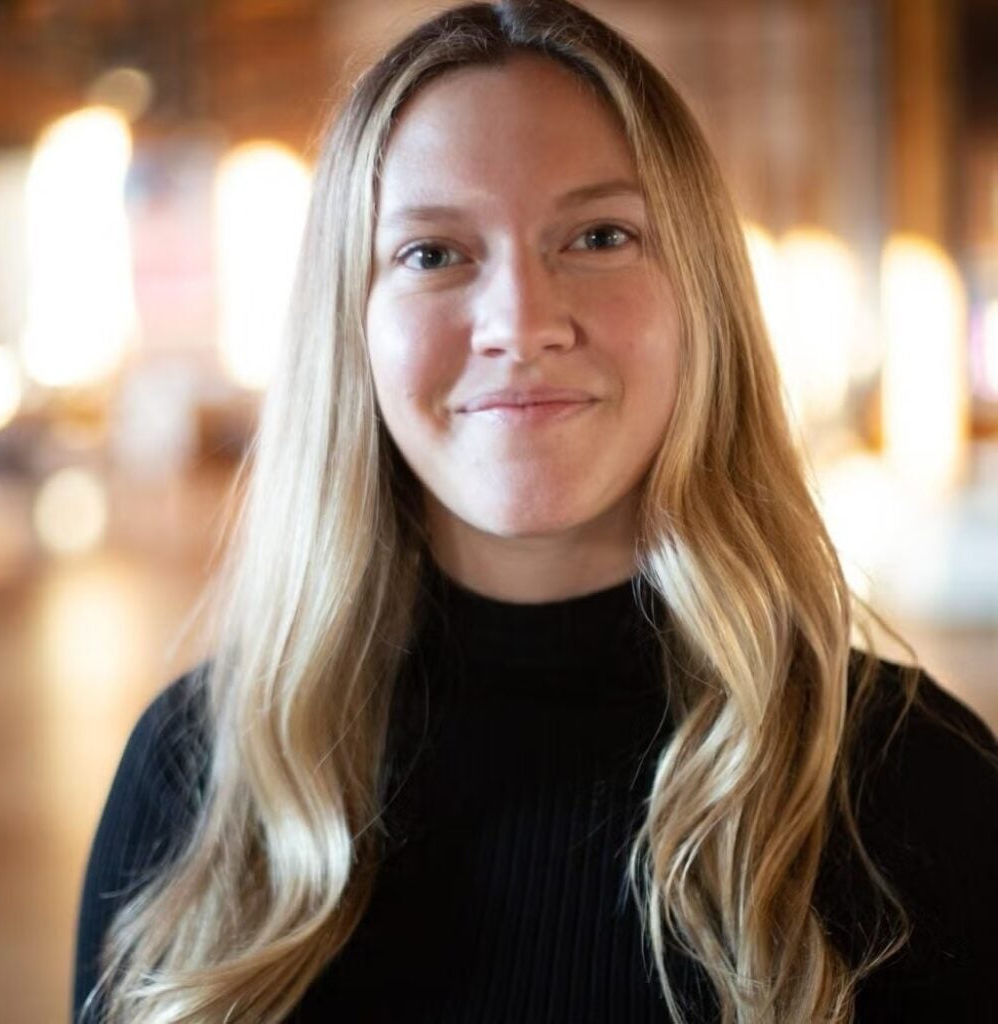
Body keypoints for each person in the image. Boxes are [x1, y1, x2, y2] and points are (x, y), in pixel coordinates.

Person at [73, 2, 998, 1022]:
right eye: (433, 253)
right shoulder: (196, 782)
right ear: (353, 330)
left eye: (598, 235)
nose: (519, 323)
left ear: (702, 301)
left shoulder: (916, 787)